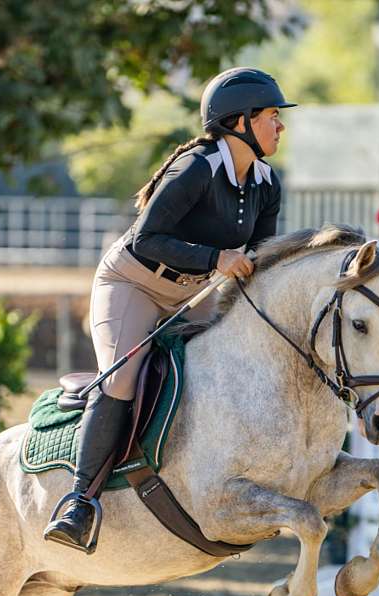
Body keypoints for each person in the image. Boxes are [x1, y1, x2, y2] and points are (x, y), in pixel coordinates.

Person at [44, 67, 296, 553]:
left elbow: (259, 258)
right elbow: (147, 238)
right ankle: (79, 503)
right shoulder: (196, 169)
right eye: (271, 116)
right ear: (239, 121)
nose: (280, 125)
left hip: (193, 296)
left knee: (223, 375)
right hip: (134, 283)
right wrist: (217, 259)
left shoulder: (267, 183)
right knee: (121, 377)